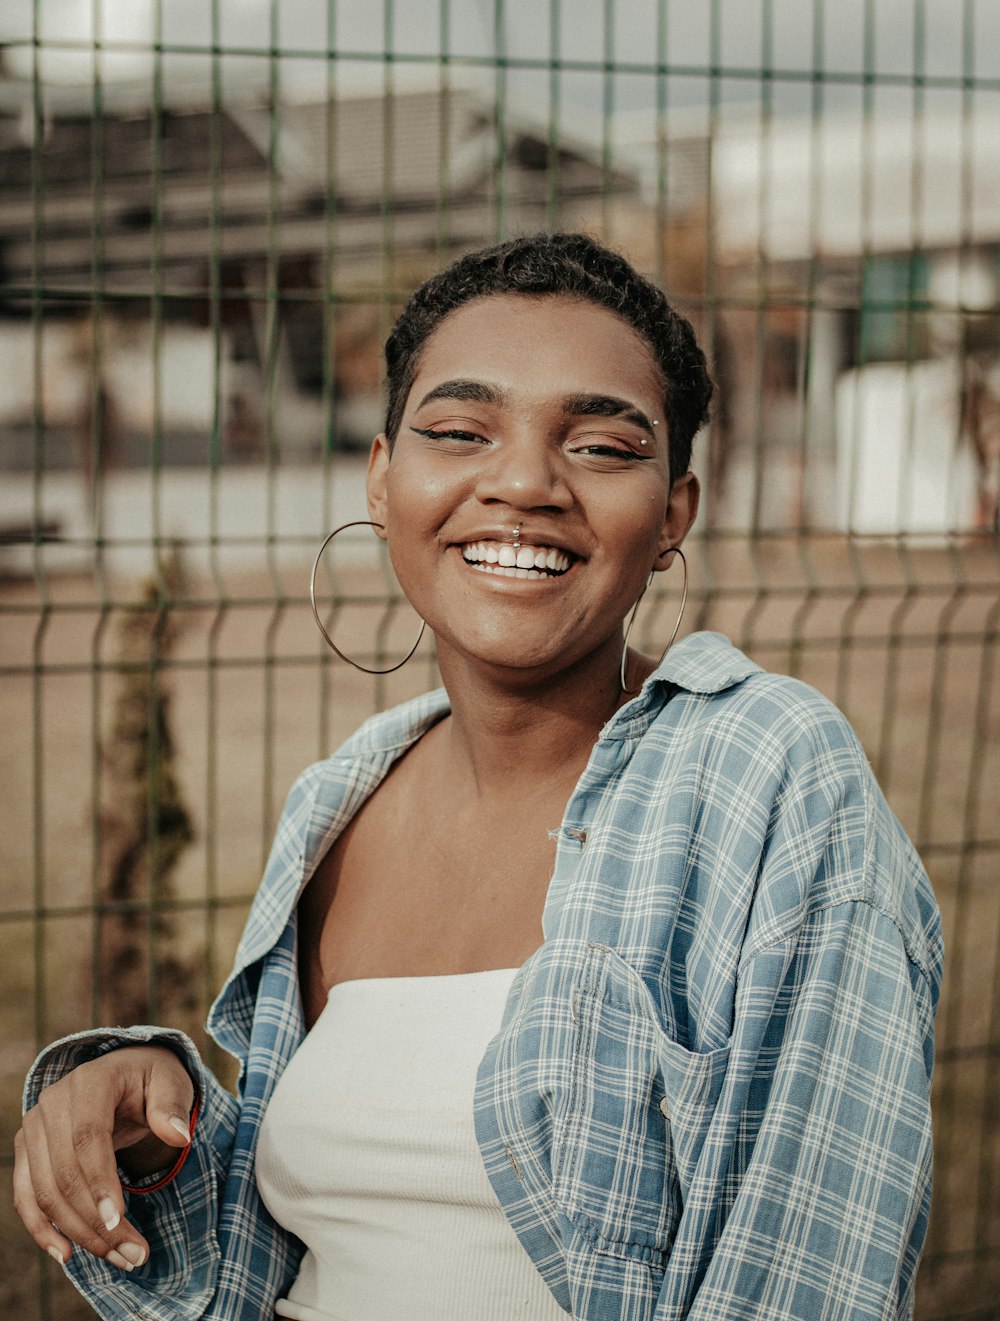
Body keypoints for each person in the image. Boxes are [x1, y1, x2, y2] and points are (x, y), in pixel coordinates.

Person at [14, 233, 942, 1321]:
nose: (520, 482)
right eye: (458, 431)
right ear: (383, 476)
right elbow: (298, 1250)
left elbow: (808, 1279)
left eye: (600, 446)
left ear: (674, 514)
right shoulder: (339, 802)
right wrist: (147, 1120)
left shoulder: (769, 778)